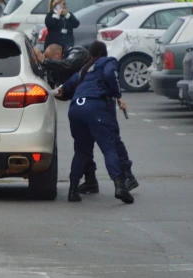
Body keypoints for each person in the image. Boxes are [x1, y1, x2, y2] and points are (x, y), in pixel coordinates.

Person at [39, 43, 137, 197]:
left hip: (76, 109)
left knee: (81, 151)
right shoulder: (108, 62)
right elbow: (110, 74)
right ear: (104, 53)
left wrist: (48, 93)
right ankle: (120, 185)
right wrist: (118, 96)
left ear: (90, 56)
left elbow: (63, 89)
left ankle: (73, 190)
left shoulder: (83, 70)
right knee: (109, 146)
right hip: (96, 107)